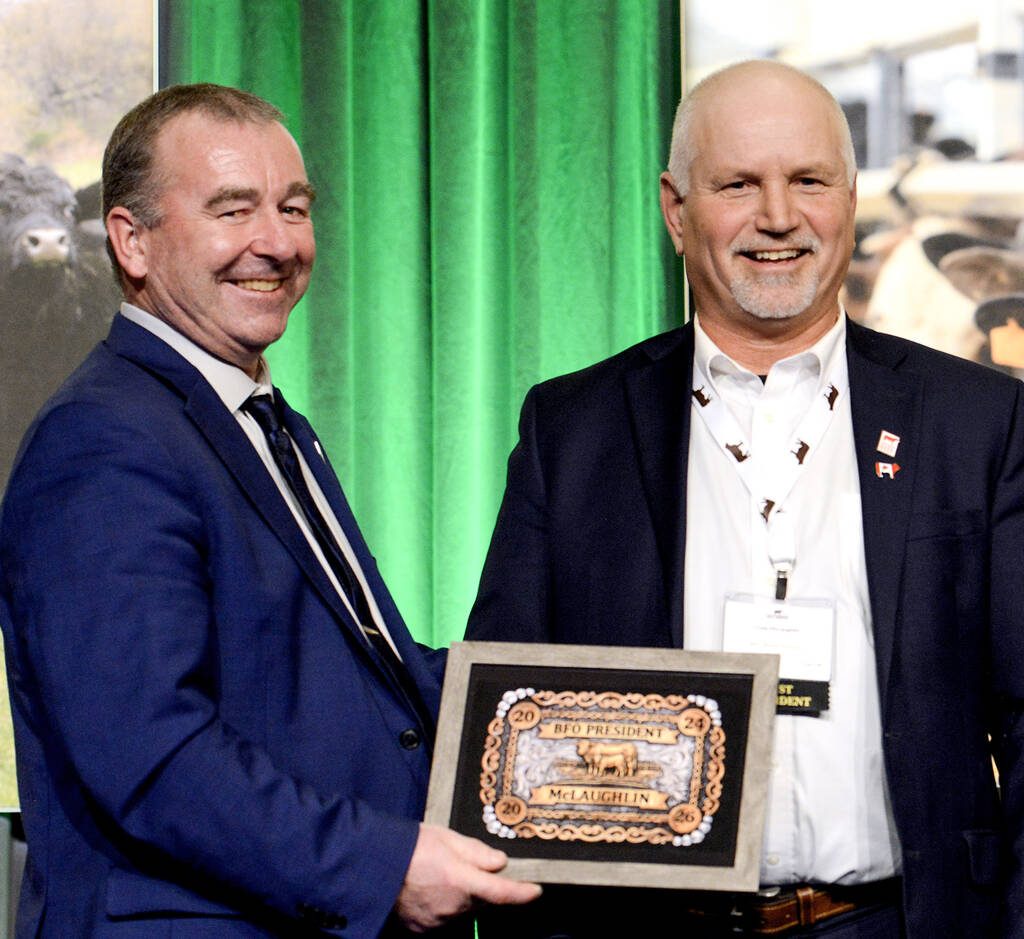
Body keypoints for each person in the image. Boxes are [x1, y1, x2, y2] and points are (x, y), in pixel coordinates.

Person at [465, 60, 1024, 938]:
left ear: (848, 199)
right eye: (738, 184)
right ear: (676, 210)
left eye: (809, 180)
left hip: (901, 922)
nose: (778, 215)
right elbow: (507, 725)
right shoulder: (571, 429)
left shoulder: (979, 419)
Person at [0, 83, 539, 938]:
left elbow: (353, 678)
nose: (278, 242)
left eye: (294, 207)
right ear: (132, 241)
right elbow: (151, 756)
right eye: (232, 209)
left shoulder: (259, 421)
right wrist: (380, 867)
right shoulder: (101, 441)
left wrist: (602, 703)